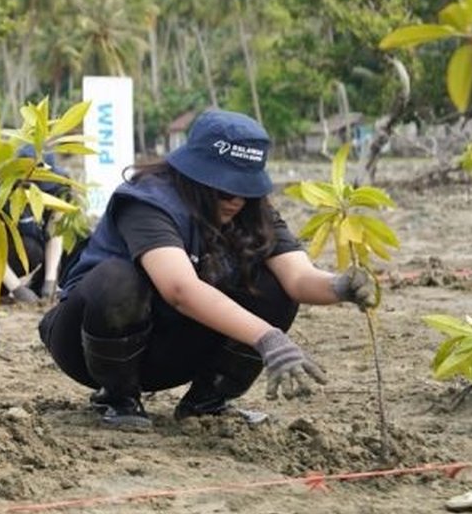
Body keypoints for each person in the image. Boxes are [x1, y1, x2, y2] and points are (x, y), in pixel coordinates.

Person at [38, 110, 376, 430]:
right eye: (222, 185)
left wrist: (340, 287)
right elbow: (180, 290)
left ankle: (207, 401)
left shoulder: (252, 211)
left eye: (243, 188)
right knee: (117, 280)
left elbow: (298, 278)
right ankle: (118, 398)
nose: (234, 198)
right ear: (192, 172)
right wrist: (268, 337)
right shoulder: (149, 201)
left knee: (275, 288)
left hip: (171, 347)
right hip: (89, 343)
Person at [1, 145, 69, 303]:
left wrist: (50, 280)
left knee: (76, 238)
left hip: (39, 240)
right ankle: (1, 288)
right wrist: (16, 288)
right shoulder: (0, 194)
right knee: (30, 248)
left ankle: (41, 286)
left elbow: (55, 232)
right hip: (5, 256)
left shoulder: (59, 186)